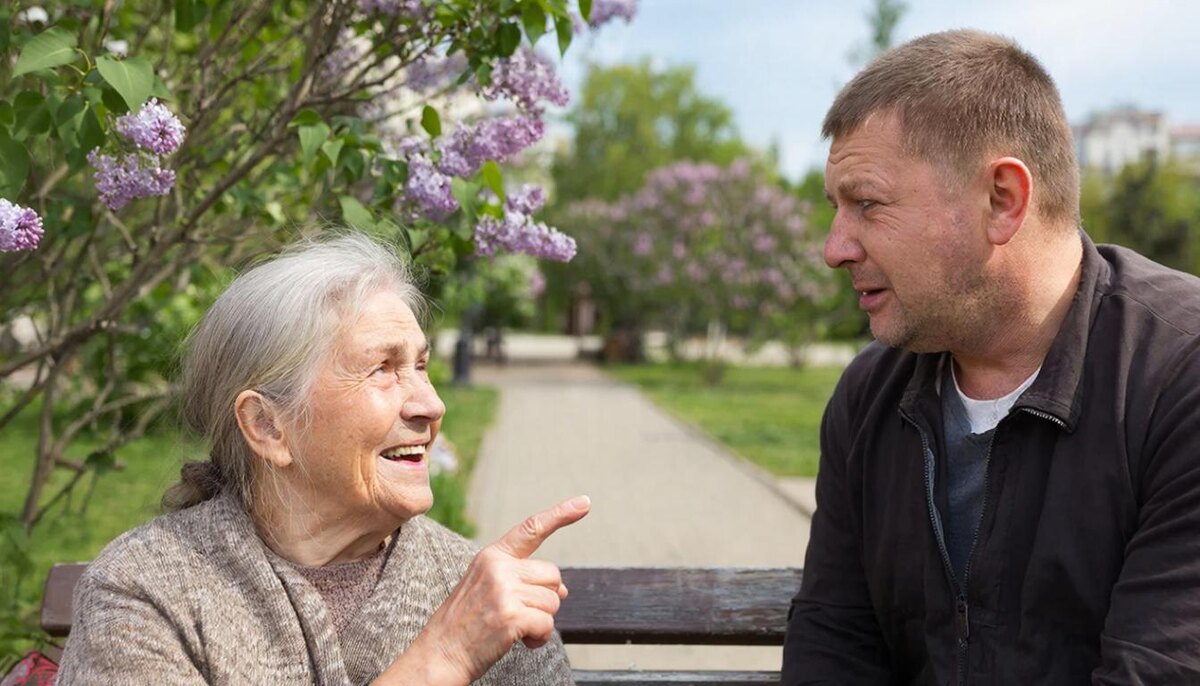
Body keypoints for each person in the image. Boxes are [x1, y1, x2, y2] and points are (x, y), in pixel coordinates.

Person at [782, 29, 1200, 684]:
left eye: (867, 204)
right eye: (837, 209)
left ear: (1002, 200)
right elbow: (833, 647)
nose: (834, 248)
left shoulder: (1178, 377)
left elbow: (1159, 671)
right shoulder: (870, 395)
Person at [56, 234, 588, 685]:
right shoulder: (149, 589)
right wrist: (442, 660)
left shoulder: (476, 592)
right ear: (267, 426)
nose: (431, 404)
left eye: (421, 366)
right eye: (382, 368)